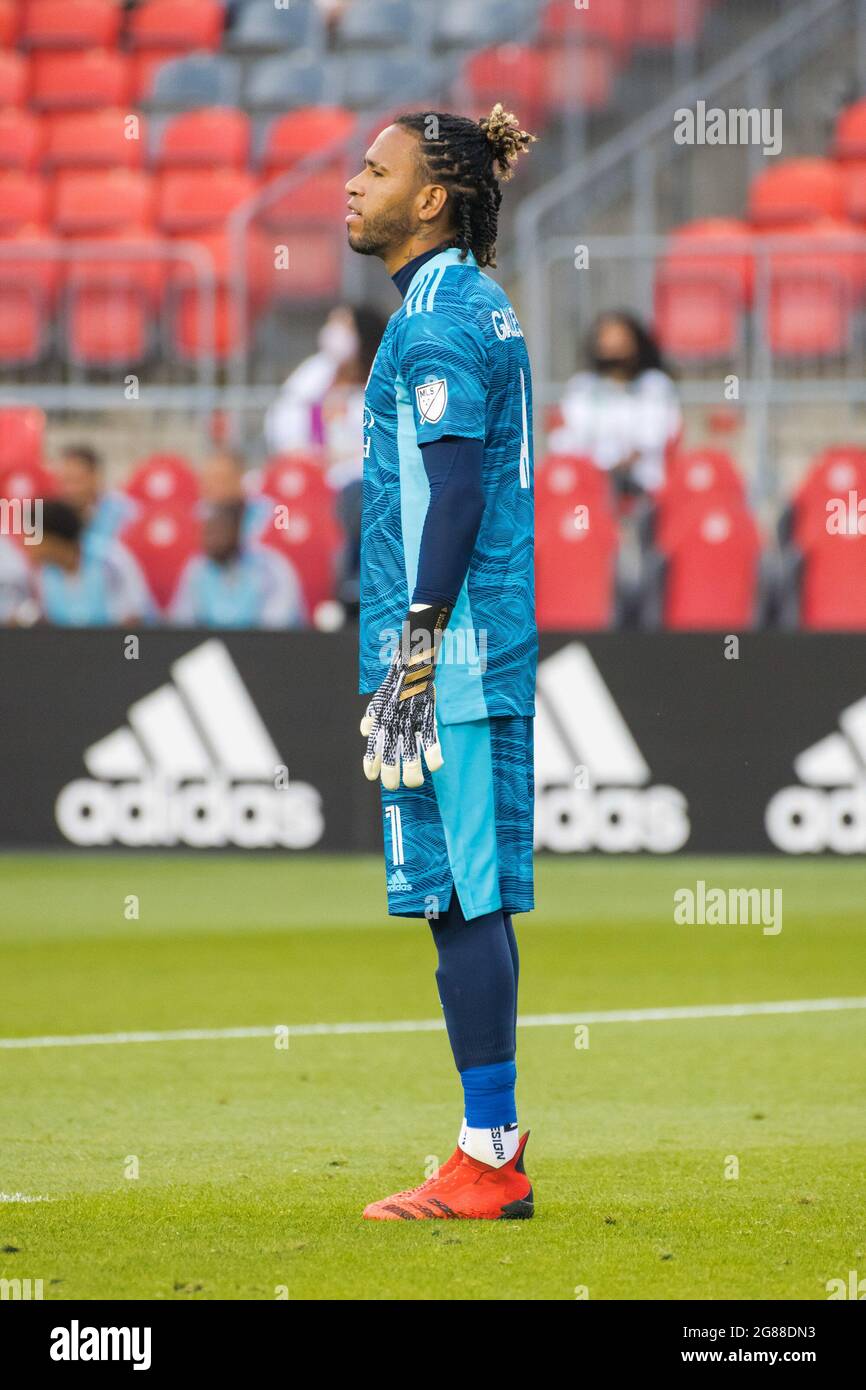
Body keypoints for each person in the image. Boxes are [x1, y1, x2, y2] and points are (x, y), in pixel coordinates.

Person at [346, 103, 538, 1220]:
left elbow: (456, 489)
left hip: (451, 651)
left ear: (431, 198)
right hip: (463, 641)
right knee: (463, 896)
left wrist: (415, 648)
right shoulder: (471, 302)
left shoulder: (434, 318)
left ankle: (487, 1157)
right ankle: (487, 1144)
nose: (351, 185)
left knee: (459, 894)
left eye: (375, 170)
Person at [550, 311, 682, 497]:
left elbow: (658, 436)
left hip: (646, 485)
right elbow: (567, 440)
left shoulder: (655, 385)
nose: (613, 348)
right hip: (590, 485)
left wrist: (623, 466)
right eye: (607, 340)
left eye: (620, 340)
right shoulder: (582, 387)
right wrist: (600, 469)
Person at [170, 502, 306, 629]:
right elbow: (181, 623)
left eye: (217, 530)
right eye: (206, 532)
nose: (210, 539)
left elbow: (275, 629)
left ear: (237, 530)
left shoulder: (272, 568)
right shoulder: (196, 568)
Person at [31, 500, 153, 626]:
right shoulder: (43, 574)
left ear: (53, 538)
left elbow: (134, 618)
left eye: (33, 536)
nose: (28, 544)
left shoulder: (110, 559)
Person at [57, 443, 137, 542]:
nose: (69, 489)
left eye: (76, 481)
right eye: (65, 481)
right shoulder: (55, 515)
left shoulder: (124, 511)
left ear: (95, 477)